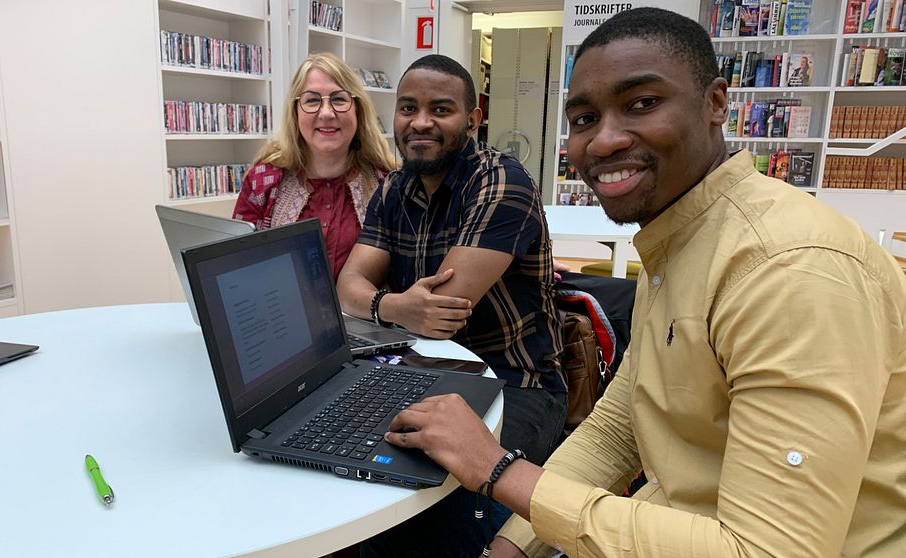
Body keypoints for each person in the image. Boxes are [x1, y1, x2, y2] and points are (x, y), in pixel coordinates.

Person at [380, 8, 906, 558]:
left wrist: (497, 470)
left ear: (716, 104)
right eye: (584, 118)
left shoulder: (790, 270)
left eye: (642, 104)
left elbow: (769, 551)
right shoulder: (680, 238)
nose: (604, 140)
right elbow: (619, 425)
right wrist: (512, 545)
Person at [336, 54, 567, 556]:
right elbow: (347, 284)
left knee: (428, 490)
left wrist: (380, 303)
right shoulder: (394, 187)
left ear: (472, 118)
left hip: (514, 382)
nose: (420, 122)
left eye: (440, 109)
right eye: (407, 108)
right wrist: (395, 305)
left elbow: (443, 311)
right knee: (346, 454)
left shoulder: (501, 181)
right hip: (421, 368)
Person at [231, 52, 396, 280]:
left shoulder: (387, 184)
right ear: (295, 112)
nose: (326, 113)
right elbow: (237, 264)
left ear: (358, 109)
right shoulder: (262, 180)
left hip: (364, 315)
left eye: (339, 99)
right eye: (312, 100)